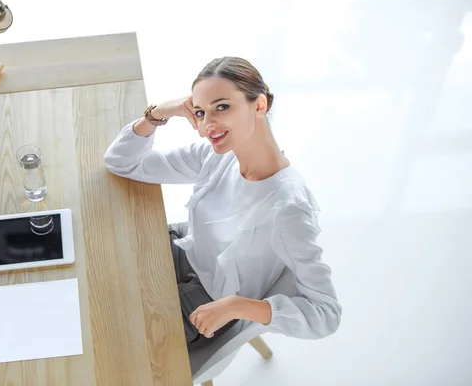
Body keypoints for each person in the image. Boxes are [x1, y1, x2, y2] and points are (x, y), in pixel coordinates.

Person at [104, 57, 341, 350]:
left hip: (209, 301)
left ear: (259, 105)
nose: (207, 125)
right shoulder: (217, 156)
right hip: (185, 250)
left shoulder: (288, 206)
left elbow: (326, 314)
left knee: (110, 339)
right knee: (99, 268)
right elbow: (121, 163)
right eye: (201, 112)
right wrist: (157, 114)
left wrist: (237, 306)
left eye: (222, 107)